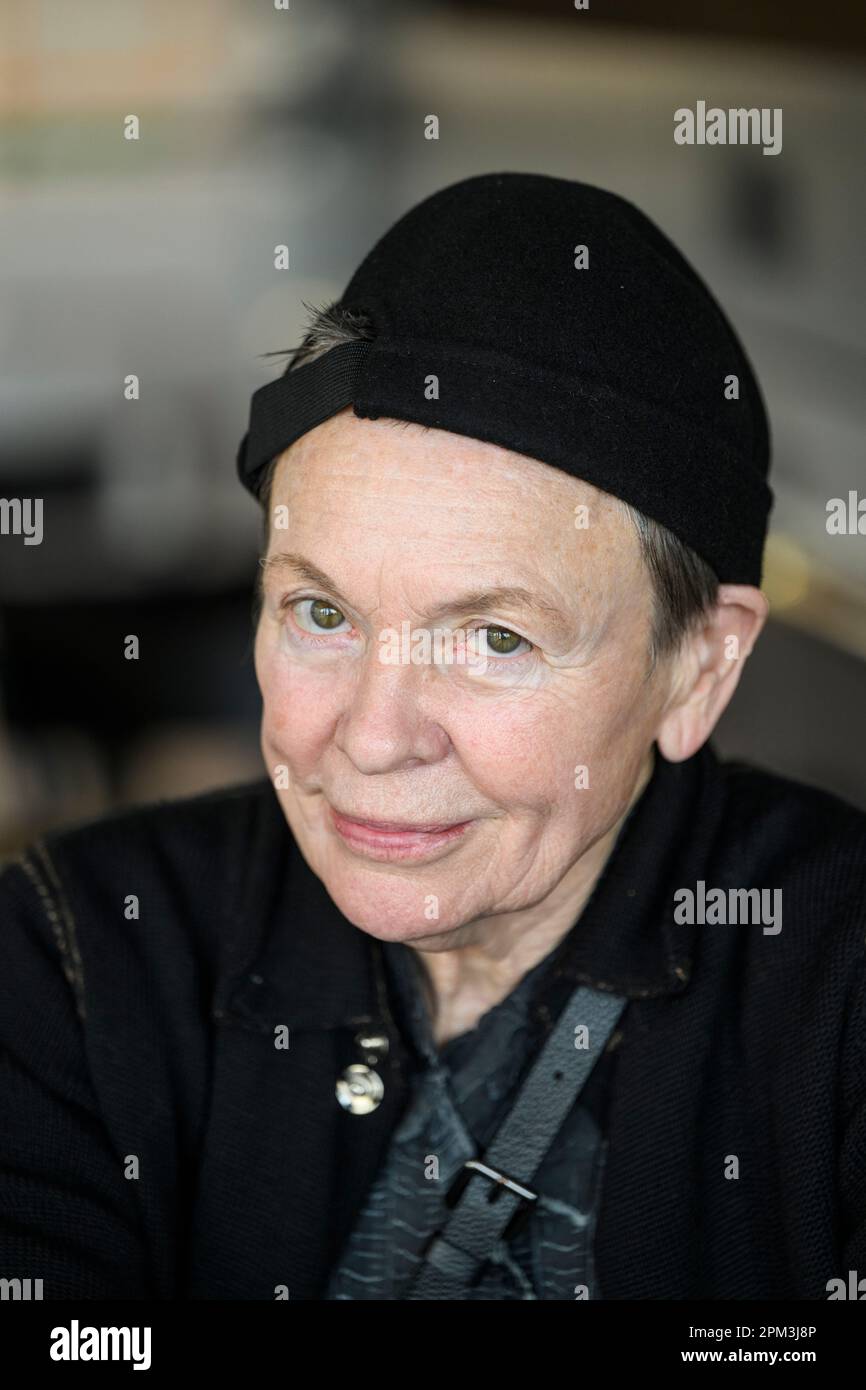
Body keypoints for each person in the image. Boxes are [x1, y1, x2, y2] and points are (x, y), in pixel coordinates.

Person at [1, 172, 863, 1301]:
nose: (372, 737)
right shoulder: (80, 958)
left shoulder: (836, 997)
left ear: (698, 667)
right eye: (320, 614)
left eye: (493, 639)